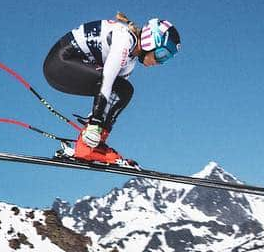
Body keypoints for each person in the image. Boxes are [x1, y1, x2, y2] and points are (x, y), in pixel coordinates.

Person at [42, 12, 180, 163]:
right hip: (60, 63)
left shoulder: (130, 61)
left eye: (166, 59)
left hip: (69, 68)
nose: (160, 62)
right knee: (116, 85)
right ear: (151, 41)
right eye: (162, 54)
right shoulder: (124, 40)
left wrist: (94, 127)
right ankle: (87, 146)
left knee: (124, 90)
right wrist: (95, 123)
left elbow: (112, 96)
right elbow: (106, 81)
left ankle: (91, 146)